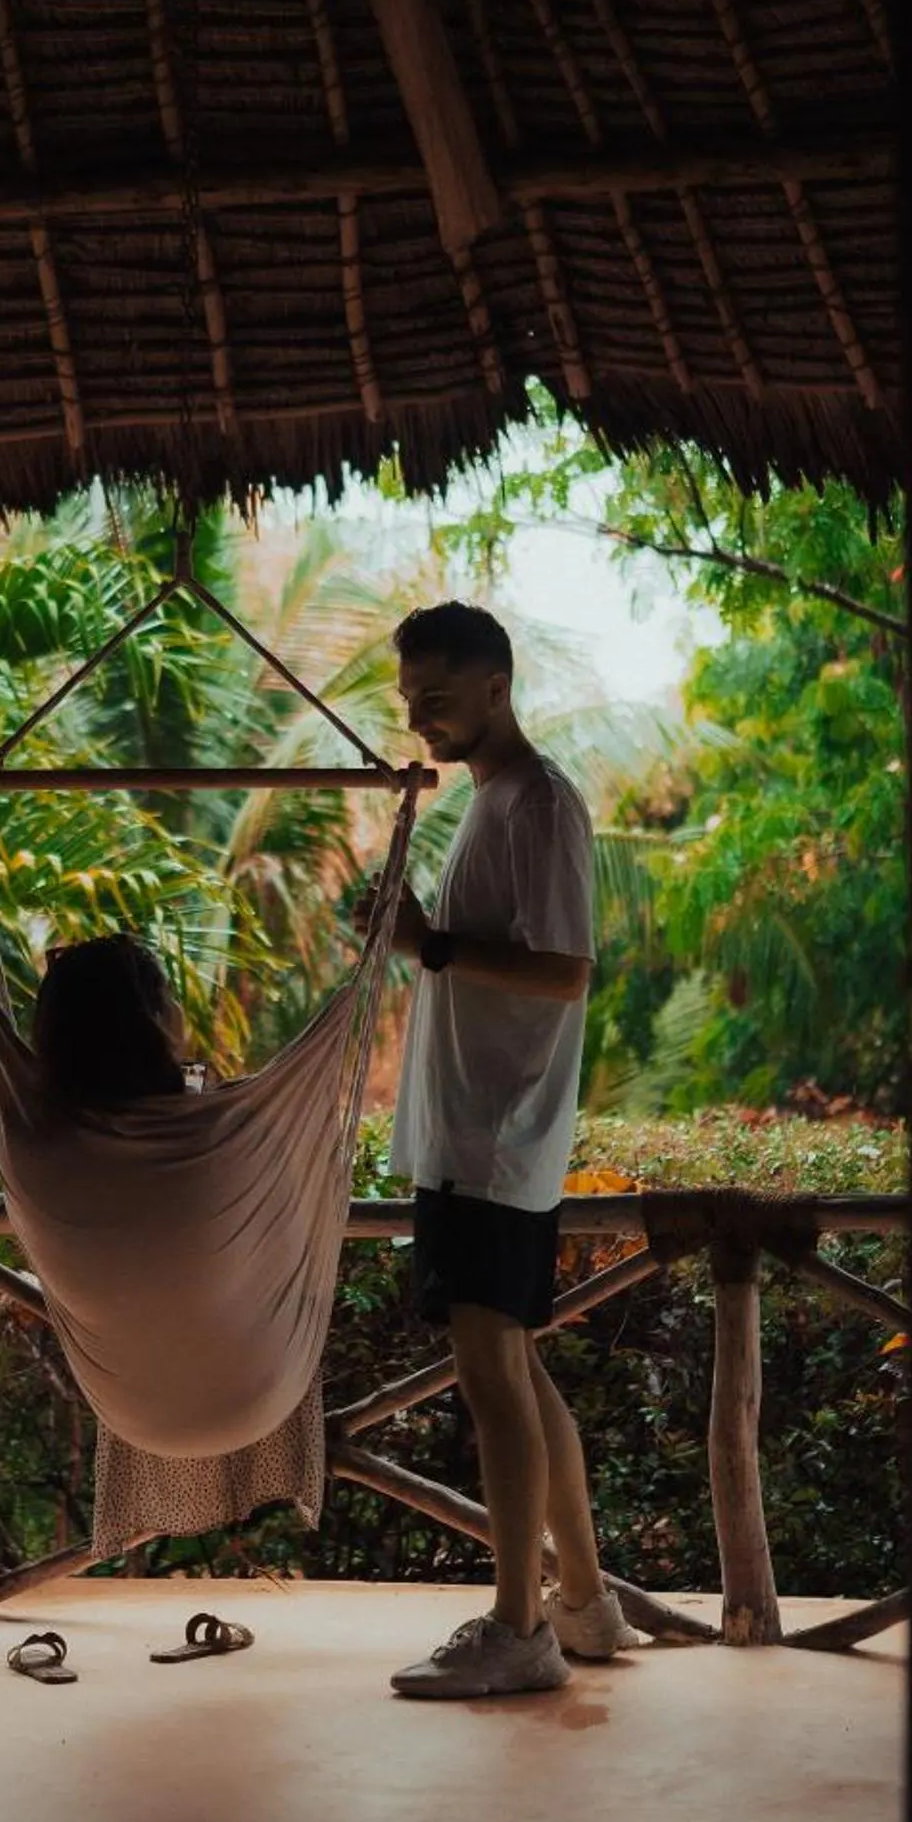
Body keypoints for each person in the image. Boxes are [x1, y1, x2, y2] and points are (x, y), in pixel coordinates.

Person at [360, 601, 641, 1699]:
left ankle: (519, 1627)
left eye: (435, 694)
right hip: (478, 1134)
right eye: (407, 697)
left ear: (495, 686)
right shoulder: (491, 804)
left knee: (493, 1378)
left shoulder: (538, 803)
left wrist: (427, 944)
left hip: (497, 1134)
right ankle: (583, 1607)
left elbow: (566, 971)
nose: (417, 714)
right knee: (518, 1371)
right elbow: (485, 959)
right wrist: (421, 939)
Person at [31, 934, 196, 1104]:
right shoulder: (207, 1119)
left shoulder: (35, 1116)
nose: (177, 1007)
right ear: (151, 1025)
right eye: (168, 994)